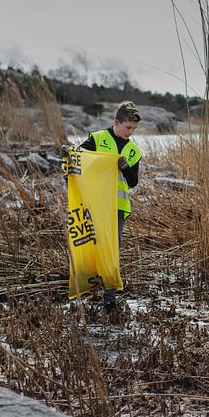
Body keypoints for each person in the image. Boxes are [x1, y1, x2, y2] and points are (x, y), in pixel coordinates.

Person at [76, 101, 143, 313]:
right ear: (116, 122)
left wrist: (125, 168)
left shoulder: (133, 150)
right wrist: (67, 153)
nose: (130, 133)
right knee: (92, 246)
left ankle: (110, 298)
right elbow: (78, 159)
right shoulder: (98, 139)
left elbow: (133, 182)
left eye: (134, 129)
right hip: (96, 204)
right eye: (128, 128)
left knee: (112, 250)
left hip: (118, 208)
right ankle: (87, 286)